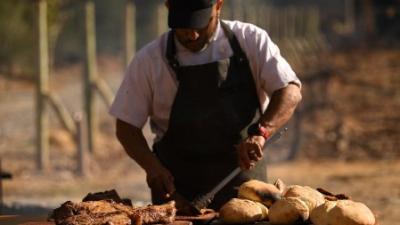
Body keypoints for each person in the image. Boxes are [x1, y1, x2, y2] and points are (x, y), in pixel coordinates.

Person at [110, 0, 302, 210]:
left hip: (247, 195)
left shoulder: (250, 40)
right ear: (167, 6)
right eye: (183, 25)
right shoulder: (149, 60)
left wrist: (261, 132)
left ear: (218, 5)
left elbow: (290, 91)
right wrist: (152, 168)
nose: (191, 35)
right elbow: (127, 126)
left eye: (200, 24)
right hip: (177, 197)